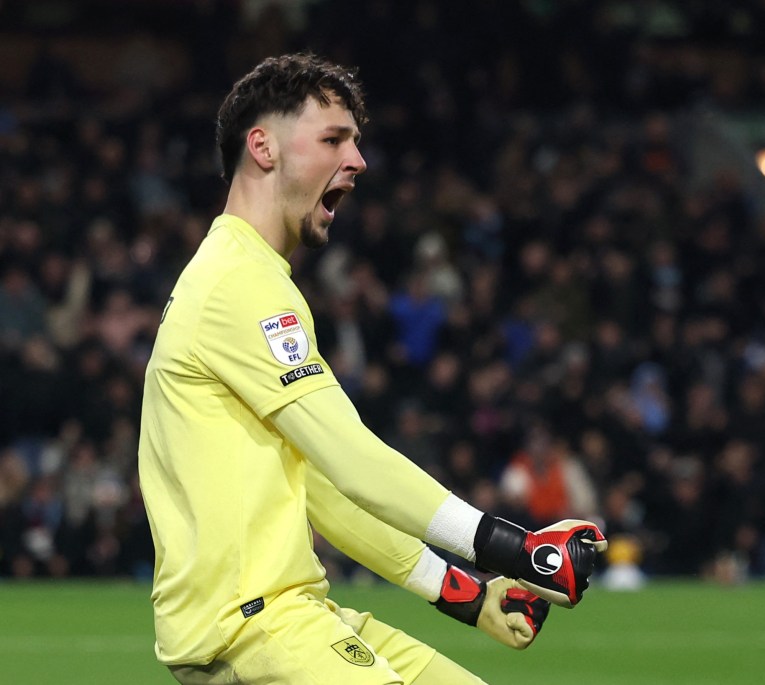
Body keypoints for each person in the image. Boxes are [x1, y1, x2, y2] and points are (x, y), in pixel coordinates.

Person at [137, 52, 606, 685]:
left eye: (355, 143)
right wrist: (516, 549)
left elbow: (328, 488)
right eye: (334, 138)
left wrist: (464, 595)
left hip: (290, 616)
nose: (357, 161)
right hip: (251, 631)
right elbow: (356, 460)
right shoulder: (237, 286)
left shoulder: (248, 278)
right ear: (263, 147)